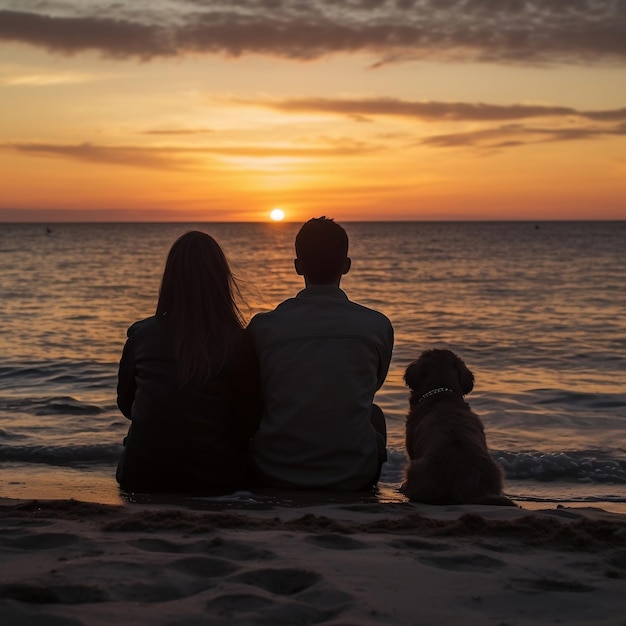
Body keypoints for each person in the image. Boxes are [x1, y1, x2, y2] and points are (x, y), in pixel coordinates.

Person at [248, 217, 394, 491]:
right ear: (347, 265)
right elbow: (371, 386)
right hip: (353, 476)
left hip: (272, 472)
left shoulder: (263, 327)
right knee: (372, 414)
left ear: (297, 266)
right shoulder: (377, 325)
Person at [116, 231, 261, 494]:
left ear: (170, 279)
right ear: (221, 280)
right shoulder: (238, 341)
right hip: (217, 480)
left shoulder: (142, 334)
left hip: (141, 476)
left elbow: (127, 406)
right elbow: (249, 420)